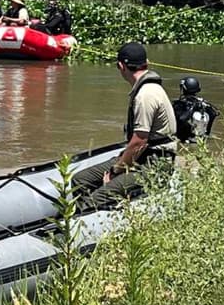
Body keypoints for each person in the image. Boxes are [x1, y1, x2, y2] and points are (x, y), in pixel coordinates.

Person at [71, 42, 178, 209]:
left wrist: (116, 171)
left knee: (97, 197)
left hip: (154, 163)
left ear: (121, 66)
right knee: (80, 180)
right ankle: (80, 214)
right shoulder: (146, 88)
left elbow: (139, 142)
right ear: (147, 63)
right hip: (142, 157)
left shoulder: (145, 95)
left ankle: (86, 214)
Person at [171, 76, 219, 143]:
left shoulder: (179, 105)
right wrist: (207, 132)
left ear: (183, 89)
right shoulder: (203, 103)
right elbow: (214, 114)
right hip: (200, 139)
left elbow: (181, 119)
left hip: (183, 139)